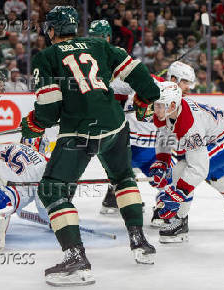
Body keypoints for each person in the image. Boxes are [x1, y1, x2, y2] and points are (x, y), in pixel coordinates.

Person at [20, 6, 159, 286]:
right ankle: (139, 242)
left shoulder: (46, 57)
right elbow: (143, 78)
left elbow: (48, 109)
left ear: (52, 30)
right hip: (115, 126)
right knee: (123, 179)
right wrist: (145, 101)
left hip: (79, 132)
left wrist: (33, 123)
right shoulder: (100, 45)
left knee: (52, 189)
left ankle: (76, 258)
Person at [148, 80, 224, 243]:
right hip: (212, 133)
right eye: (156, 104)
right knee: (215, 177)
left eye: (161, 105)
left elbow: (198, 169)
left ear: (172, 106)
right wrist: (162, 161)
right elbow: (165, 134)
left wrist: (177, 195)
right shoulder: (168, 113)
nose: (157, 109)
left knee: (185, 172)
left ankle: (179, 222)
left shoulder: (190, 126)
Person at [88, 19, 158, 215]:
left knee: (124, 157)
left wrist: (142, 83)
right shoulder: (91, 55)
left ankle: (114, 197)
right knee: (120, 158)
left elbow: (129, 81)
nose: (97, 41)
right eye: (94, 37)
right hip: (104, 114)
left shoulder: (116, 55)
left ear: (108, 37)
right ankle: (119, 197)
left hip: (116, 113)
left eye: (100, 37)